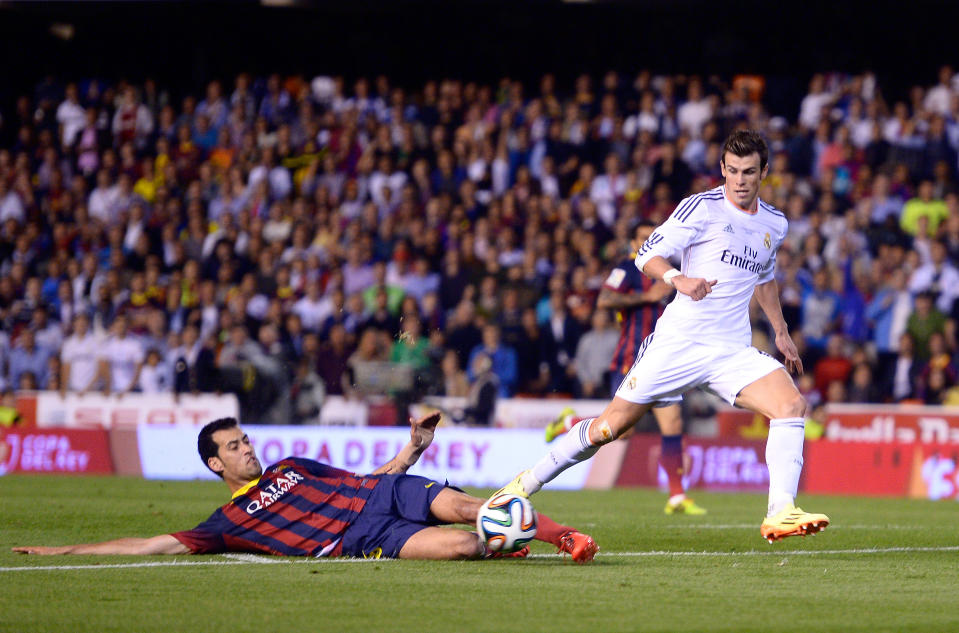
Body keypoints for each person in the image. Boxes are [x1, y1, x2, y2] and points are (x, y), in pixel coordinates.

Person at [494, 130, 829, 544]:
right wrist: (678, 279)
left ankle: (780, 510)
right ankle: (523, 484)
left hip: (731, 350)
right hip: (678, 344)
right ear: (722, 169)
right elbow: (645, 253)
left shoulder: (774, 223)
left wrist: (781, 330)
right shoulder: (701, 208)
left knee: (791, 404)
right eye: (733, 171)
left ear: (764, 173)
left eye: (749, 172)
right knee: (608, 429)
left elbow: (765, 277)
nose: (740, 180)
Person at [13, 413, 598, 562]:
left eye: (245, 438)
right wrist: (63, 550)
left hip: (380, 497)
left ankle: (564, 536)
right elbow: (148, 546)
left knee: (470, 505)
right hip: (361, 539)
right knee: (465, 545)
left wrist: (412, 448)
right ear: (216, 465)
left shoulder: (291, 464)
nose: (247, 447)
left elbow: (371, 478)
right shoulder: (226, 524)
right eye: (234, 446)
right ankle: (504, 542)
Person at [544, 221, 706, 515]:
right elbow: (604, 300)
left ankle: (677, 497)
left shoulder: (671, 273)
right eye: (643, 238)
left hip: (665, 359)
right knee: (619, 431)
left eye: (652, 237)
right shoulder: (627, 270)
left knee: (673, 425)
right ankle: (569, 423)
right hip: (631, 359)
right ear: (633, 243)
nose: (648, 242)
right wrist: (645, 297)